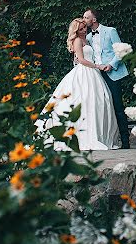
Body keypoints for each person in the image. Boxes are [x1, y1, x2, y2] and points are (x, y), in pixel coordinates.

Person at [36, 18, 120, 151]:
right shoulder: (77, 40)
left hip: (93, 74)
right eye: (80, 29)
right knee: (82, 99)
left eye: (84, 27)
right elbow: (81, 60)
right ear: (75, 30)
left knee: (98, 101)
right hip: (84, 72)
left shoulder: (87, 39)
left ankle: (100, 134)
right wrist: (98, 66)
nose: (83, 30)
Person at [83, 8, 130, 149]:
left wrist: (111, 65)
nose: (84, 20)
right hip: (97, 75)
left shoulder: (110, 31)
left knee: (117, 106)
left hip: (113, 73)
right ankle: (107, 140)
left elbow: (121, 51)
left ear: (94, 19)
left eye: (86, 17)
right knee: (102, 108)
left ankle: (125, 142)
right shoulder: (88, 38)